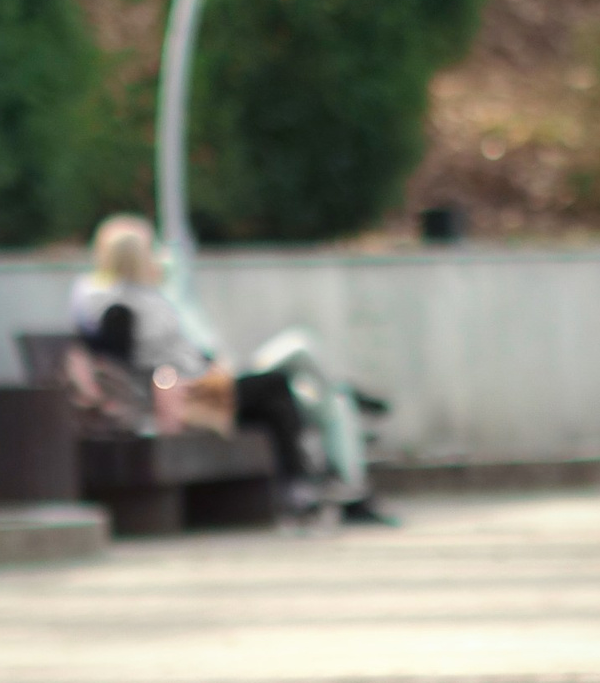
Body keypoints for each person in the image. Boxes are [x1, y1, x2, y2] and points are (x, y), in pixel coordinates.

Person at [65, 215, 383, 518]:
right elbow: (140, 370)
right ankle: (306, 473)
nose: (158, 256)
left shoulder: (148, 296)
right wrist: (171, 392)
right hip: (189, 399)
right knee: (276, 382)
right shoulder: (119, 308)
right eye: (152, 248)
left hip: (203, 387)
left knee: (279, 402)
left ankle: (300, 484)